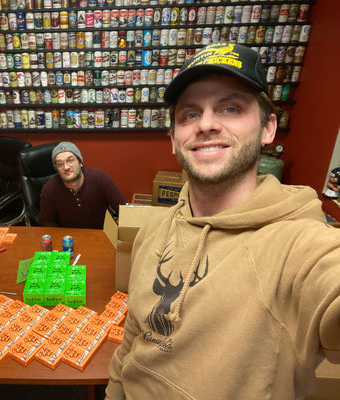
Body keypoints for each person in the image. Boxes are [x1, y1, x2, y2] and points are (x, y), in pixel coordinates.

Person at [105, 42, 340, 399]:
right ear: (173, 139)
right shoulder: (153, 230)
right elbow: (132, 341)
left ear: (268, 128)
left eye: (230, 108)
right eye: (189, 114)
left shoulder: (302, 248)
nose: (207, 124)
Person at [39, 141, 126, 229]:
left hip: (102, 235)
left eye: (70, 160)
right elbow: (46, 221)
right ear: (57, 169)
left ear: (80, 162)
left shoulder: (100, 177)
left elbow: (124, 209)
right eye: (60, 164)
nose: (66, 167)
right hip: (68, 239)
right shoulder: (49, 189)